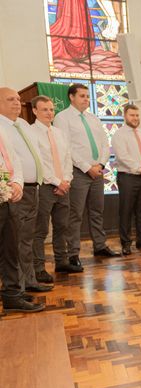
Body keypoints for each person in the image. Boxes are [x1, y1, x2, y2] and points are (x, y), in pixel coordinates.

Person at [55, 84, 120, 269]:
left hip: (97, 171)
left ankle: (99, 245)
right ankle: (73, 253)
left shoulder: (93, 118)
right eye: (82, 96)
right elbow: (66, 148)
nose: (86, 99)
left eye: (87, 96)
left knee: (97, 210)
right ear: (71, 97)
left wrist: (100, 164)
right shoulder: (62, 118)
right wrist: (86, 167)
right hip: (78, 172)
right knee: (75, 215)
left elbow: (104, 144)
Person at [0, 87, 53, 295]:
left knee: (27, 239)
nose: (17, 103)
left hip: (31, 188)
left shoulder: (21, 124)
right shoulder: (1, 126)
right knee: (14, 242)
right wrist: (14, 185)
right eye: (10, 99)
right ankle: (16, 287)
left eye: (18, 99)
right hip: (13, 192)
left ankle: (29, 280)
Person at [30, 96, 77, 283]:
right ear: (34, 111)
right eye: (45, 110)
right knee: (40, 230)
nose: (50, 113)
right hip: (45, 187)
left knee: (62, 226)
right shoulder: (31, 133)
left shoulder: (59, 132)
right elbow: (39, 162)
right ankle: (38, 268)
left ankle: (62, 261)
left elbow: (67, 158)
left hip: (63, 187)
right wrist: (57, 181)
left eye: (51, 109)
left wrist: (66, 180)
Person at [0, 127, 43, 312]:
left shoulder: (3, 129)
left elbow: (13, 159)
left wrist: (17, 182)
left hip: (7, 197)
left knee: (10, 250)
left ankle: (12, 296)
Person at [111, 104, 141, 255]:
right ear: (125, 116)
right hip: (128, 177)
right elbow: (123, 157)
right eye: (132, 115)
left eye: (137, 115)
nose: (135, 118)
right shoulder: (119, 135)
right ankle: (125, 243)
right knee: (126, 211)